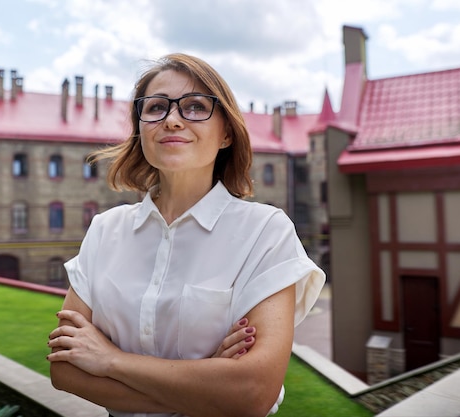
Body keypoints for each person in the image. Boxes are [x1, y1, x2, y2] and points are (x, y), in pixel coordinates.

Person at [47, 53, 325, 417]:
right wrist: (208, 385)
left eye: (195, 107)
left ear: (226, 132)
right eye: (157, 107)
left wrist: (111, 360)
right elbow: (65, 371)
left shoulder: (265, 233)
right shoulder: (105, 230)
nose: (173, 120)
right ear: (140, 128)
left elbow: (253, 391)